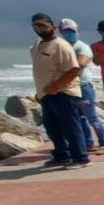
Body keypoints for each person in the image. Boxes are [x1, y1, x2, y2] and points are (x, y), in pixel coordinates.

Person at [29, 13, 91, 169]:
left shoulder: (61, 46)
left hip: (63, 93)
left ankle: (81, 158)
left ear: (53, 27)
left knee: (70, 127)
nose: (40, 29)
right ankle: (61, 155)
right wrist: (40, 92)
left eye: (43, 25)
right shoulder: (37, 44)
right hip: (46, 94)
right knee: (52, 128)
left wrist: (55, 87)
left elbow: (74, 70)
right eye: (36, 26)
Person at [58, 18, 104, 155]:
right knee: (80, 118)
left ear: (77, 31)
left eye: (72, 31)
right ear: (61, 32)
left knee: (91, 116)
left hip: (83, 86)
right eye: (66, 31)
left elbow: (80, 65)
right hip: (69, 88)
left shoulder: (82, 47)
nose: (70, 33)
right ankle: (88, 143)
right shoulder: (62, 46)